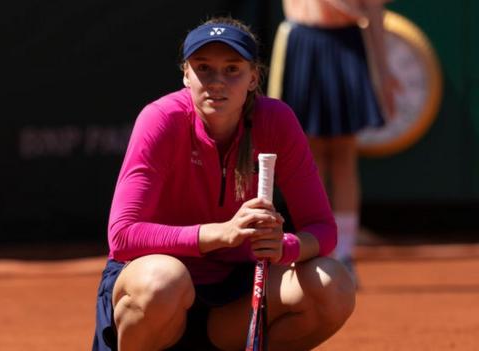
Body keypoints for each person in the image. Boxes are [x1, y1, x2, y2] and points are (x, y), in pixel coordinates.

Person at [93, 17, 355, 351]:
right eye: (204, 68)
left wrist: (283, 247)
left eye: (232, 69)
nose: (217, 82)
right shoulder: (161, 119)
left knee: (333, 285)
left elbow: (323, 230)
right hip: (159, 294)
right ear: (186, 74)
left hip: (234, 300)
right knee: (164, 281)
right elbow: (123, 235)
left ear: (253, 78)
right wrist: (221, 234)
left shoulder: (277, 121)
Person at [268, 0, 400, 281]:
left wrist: (383, 71)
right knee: (308, 156)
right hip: (303, 43)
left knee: (343, 153)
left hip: (346, 45)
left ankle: (344, 256)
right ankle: (314, 249)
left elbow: (373, 10)